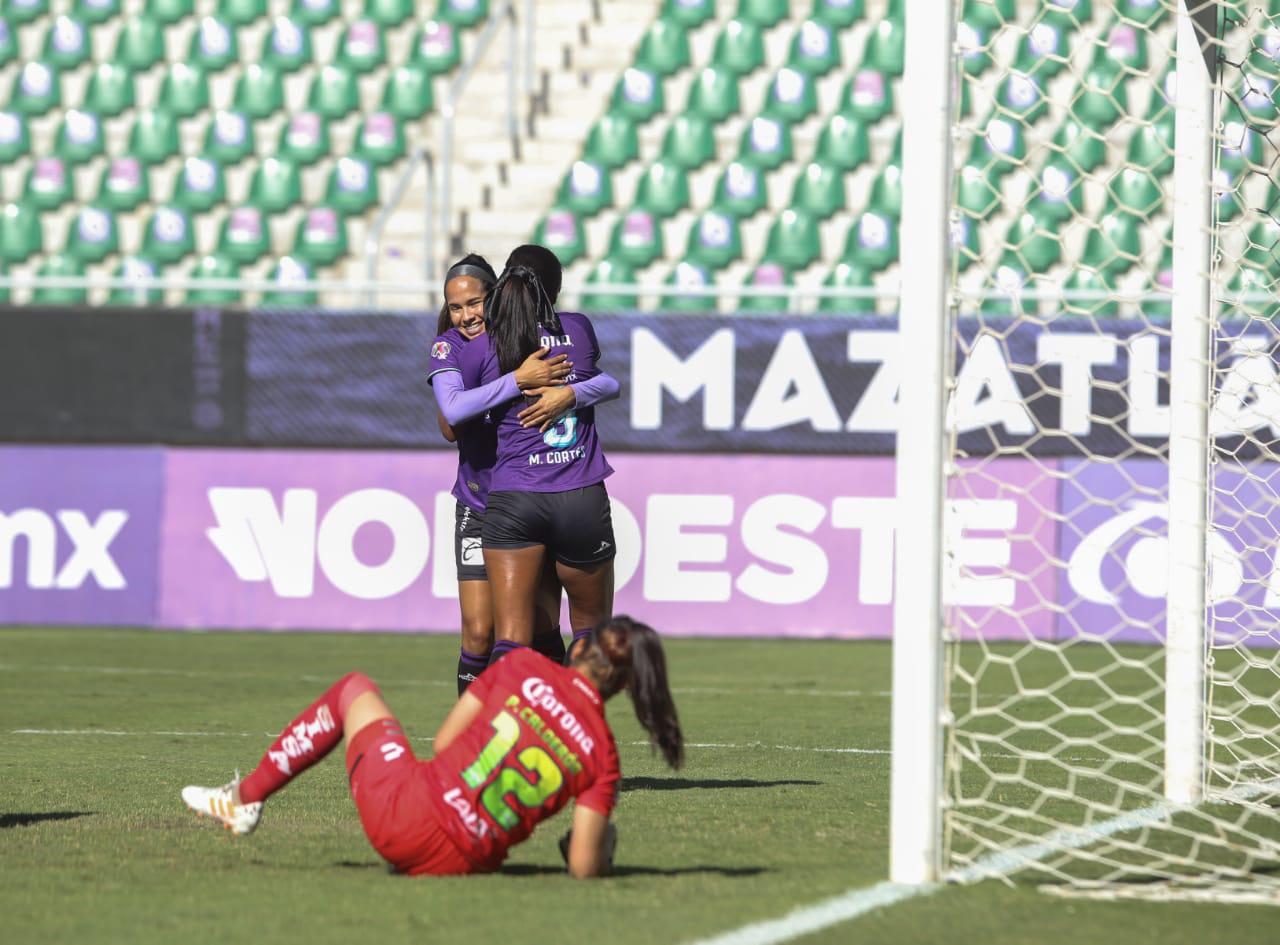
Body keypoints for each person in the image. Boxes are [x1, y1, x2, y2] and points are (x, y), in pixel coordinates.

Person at [180, 617, 684, 878]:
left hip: (403, 817)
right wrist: (603, 848)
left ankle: (244, 799)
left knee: (353, 689)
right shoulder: (603, 755)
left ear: (581, 648)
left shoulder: (522, 665)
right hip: (461, 865)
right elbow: (581, 867)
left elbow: (445, 744)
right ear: (625, 686)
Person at [458, 245, 620, 666]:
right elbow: (606, 383)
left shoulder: (482, 344)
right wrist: (570, 393)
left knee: (511, 639)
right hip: (579, 494)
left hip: (515, 499)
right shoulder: (578, 329)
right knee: (590, 632)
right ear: (556, 289)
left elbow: (453, 415)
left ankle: (507, 711)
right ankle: (575, 710)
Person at [427, 254, 569, 692]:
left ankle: (550, 724)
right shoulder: (447, 348)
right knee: (478, 632)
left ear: (496, 297)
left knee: (542, 628)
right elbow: (450, 422)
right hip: (479, 504)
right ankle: (471, 732)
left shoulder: (526, 337)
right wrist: (516, 381)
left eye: (475, 303)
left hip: (530, 500)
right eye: (455, 307)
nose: (466, 315)